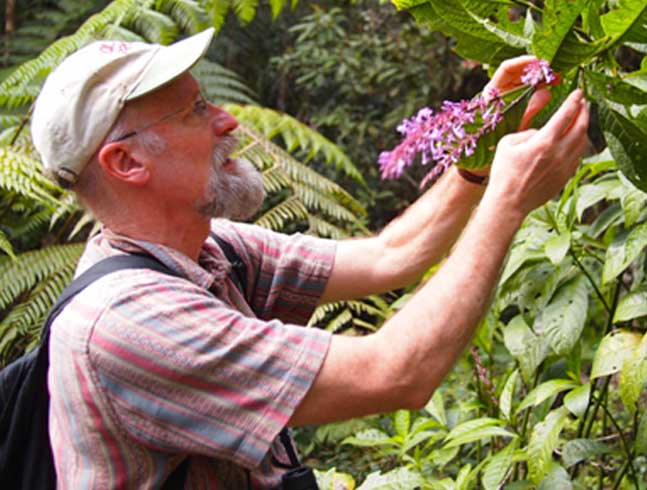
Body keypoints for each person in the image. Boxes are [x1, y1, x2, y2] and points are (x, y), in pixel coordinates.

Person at [30, 28, 589, 488]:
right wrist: (508, 201)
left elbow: (391, 256)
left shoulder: (208, 250)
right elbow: (397, 372)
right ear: (126, 162)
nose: (228, 121)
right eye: (195, 110)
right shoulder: (129, 326)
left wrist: (478, 143)